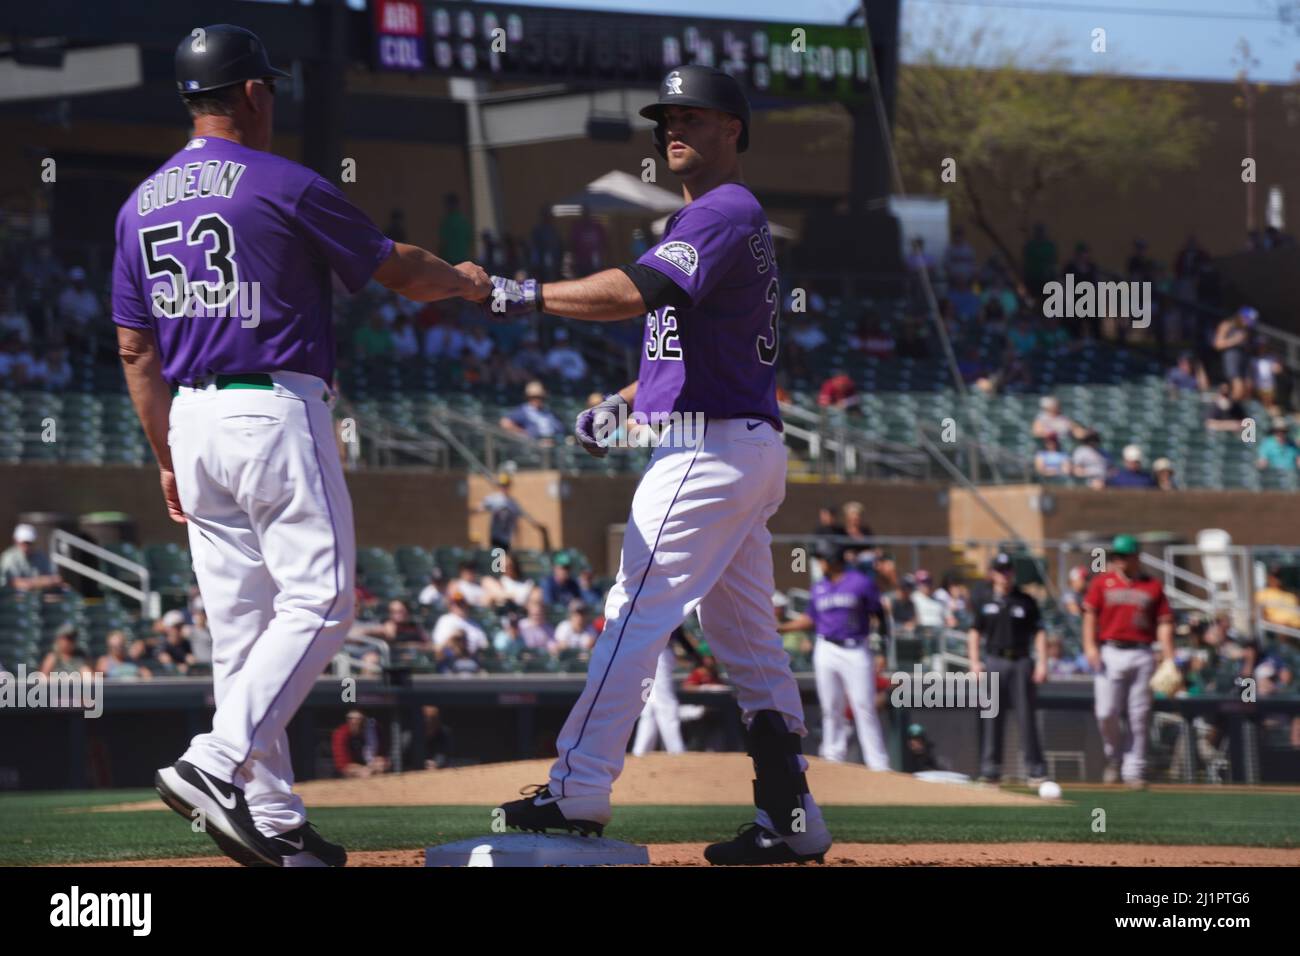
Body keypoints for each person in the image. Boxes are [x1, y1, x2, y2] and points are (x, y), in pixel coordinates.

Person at [119, 24, 489, 869]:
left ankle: (276, 819)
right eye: (270, 89)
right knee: (324, 602)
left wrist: (166, 456)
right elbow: (394, 267)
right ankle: (215, 761)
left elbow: (136, 350)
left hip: (191, 421)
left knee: (244, 634)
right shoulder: (281, 181)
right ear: (253, 92)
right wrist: (467, 280)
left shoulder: (137, 202)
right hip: (270, 407)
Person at [488, 66, 831, 866]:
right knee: (746, 642)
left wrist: (521, 293)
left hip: (711, 450)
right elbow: (691, 348)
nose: (673, 127)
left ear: (734, 128)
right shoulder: (708, 222)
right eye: (667, 116)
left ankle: (576, 790)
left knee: (632, 610)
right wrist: (624, 399)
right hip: (732, 443)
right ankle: (791, 814)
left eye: (695, 115)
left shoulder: (723, 210)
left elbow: (633, 291)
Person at [778, 540, 890, 770]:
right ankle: (832, 757)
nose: (818, 563)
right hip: (826, 648)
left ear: (831, 559)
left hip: (856, 648)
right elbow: (810, 619)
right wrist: (781, 627)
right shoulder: (819, 587)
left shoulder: (860, 583)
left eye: (820, 558)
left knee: (864, 706)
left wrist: (883, 651)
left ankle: (878, 763)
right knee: (831, 707)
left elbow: (880, 615)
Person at [1082, 534, 1175, 788]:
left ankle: (1134, 770)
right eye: (1117, 556)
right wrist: (1090, 646)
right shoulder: (1102, 583)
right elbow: (1089, 615)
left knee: (1138, 715)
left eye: (1125, 555)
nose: (1120, 560)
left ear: (1136, 557)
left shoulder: (1152, 586)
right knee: (1105, 712)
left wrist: (1168, 658)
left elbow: (1165, 623)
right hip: (1110, 651)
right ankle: (1114, 758)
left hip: (1143, 652)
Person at [968, 553, 1048, 785]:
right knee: (992, 717)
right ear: (993, 573)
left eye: (1007, 570)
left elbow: (1039, 632)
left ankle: (1035, 769)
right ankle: (991, 769)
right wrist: (974, 662)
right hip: (994, 660)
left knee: (1026, 718)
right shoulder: (985, 601)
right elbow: (974, 632)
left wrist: (1042, 662)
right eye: (1000, 570)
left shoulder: (1025, 600)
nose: (1004, 574)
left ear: (1013, 572)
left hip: (1021, 661)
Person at [631, 628, 696, 756]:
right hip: (658, 651)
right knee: (666, 703)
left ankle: (640, 750)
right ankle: (676, 750)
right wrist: (695, 655)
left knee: (650, 705)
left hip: (645, 651)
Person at [0, 523, 63, 591]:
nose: (26, 546)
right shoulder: (9, 557)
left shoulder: (40, 556)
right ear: (16, 541)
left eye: (29, 543)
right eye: (24, 543)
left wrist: (32, 583)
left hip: (38, 598)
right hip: (14, 599)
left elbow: (56, 579)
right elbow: (15, 583)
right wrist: (43, 581)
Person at [499, 380, 565, 442]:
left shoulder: (548, 411)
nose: (537, 400)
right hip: (534, 445)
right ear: (528, 398)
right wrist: (524, 433)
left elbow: (560, 428)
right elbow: (505, 423)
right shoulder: (523, 410)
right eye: (533, 397)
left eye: (539, 397)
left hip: (553, 442)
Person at [1213, 306, 1255, 402]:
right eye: (1246, 319)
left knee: (1248, 389)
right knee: (1238, 388)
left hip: (1243, 359)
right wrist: (1235, 340)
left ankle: (1234, 410)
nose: (1247, 323)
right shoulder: (1226, 325)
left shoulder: (1246, 330)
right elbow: (1217, 344)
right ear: (1240, 317)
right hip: (1231, 358)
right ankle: (1227, 411)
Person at [331, 710, 390, 778]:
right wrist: (359, 769)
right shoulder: (341, 734)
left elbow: (382, 755)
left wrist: (380, 762)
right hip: (348, 775)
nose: (354, 722)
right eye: (351, 719)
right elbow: (342, 765)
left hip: (370, 768)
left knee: (380, 767)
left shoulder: (374, 730)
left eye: (359, 720)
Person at [477, 473, 527, 552]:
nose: (504, 487)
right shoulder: (494, 499)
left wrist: (518, 541)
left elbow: (517, 523)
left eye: (506, 485)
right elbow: (480, 506)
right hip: (496, 537)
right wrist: (484, 508)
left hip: (506, 539)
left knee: (504, 563)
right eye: (502, 485)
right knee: (498, 562)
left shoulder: (513, 504)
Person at [1255, 566, 1300, 630]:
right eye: (1274, 576)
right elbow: (1259, 616)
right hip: (1280, 630)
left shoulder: (1291, 595)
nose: (1277, 580)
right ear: (1269, 577)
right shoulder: (1262, 594)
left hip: (1295, 627)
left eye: (1279, 577)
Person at [438, 193, 472, 267]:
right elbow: (469, 239)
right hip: (463, 258)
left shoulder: (447, 221)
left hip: (449, 259)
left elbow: (443, 241)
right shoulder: (463, 221)